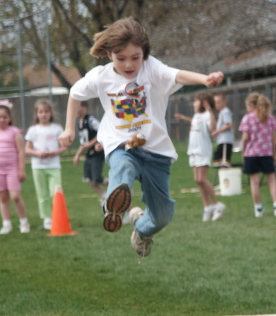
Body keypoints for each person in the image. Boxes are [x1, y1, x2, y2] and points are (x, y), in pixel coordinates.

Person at [58, 17, 224, 259]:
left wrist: (204, 79)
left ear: (144, 54)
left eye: (135, 58)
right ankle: (113, 205)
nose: (129, 65)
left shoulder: (151, 68)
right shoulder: (101, 76)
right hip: (121, 144)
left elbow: (177, 75)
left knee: (162, 216)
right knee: (122, 165)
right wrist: (68, 129)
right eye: (121, 58)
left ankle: (141, 229)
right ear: (108, 54)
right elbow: (75, 93)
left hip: (156, 151)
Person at [174, 93, 226, 222]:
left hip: (203, 150)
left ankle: (217, 204)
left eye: (196, 102)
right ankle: (207, 207)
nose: (193, 104)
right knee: (197, 179)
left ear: (203, 103)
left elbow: (212, 128)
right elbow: (197, 124)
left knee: (202, 178)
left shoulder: (208, 115)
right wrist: (185, 119)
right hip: (193, 150)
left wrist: (210, 111)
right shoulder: (197, 115)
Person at [238, 92, 276, 217]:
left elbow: (245, 138)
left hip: (251, 154)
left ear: (251, 105)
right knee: (272, 180)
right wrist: (274, 155)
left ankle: (258, 208)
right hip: (266, 153)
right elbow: (273, 140)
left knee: (254, 182)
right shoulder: (270, 118)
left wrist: (244, 152)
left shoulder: (247, 118)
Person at [0, 100, 31, 234]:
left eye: (5, 117)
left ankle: (24, 222)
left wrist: (21, 170)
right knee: (3, 198)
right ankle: (6, 224)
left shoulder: (15, 132)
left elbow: (21, 152)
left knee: (15, 196)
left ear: (10, 118)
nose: (2, 120)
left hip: (12, 169)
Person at [25, 99, 66, 230]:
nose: (44, 114)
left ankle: (57, 216)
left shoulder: (57, 128)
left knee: (55, 193)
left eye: (46, 112)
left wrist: (55, 152)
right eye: (41, 112)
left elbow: (63, 147)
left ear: (51, 113)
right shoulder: (33, 130)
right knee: (42, 195)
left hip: (54, 166)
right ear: (36, 114)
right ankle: (47, 219)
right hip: (38, 167)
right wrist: (38, 154)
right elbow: (28, 149)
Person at [72, 101, 107, 203]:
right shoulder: (80, 123)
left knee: (97, 179)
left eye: (77, 107)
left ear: (84, 107)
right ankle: (105, 196)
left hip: (97, 153)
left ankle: (115, 184)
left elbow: (102, 131)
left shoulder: (91, 120)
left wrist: (91, 144)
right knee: (88, 179)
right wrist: (77, 155)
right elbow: (83, 143)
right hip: (89, 155)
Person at [212, 93, 234, 167]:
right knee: (219, 161)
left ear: (224, 102)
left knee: (224, 162)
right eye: (215, 103)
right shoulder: (222, 112)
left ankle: (228, 177)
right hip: (221, 141)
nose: (216, 104)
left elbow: (228, 124)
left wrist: (217, 132)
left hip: (225, 141)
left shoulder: (225, 112)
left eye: (218, 102)